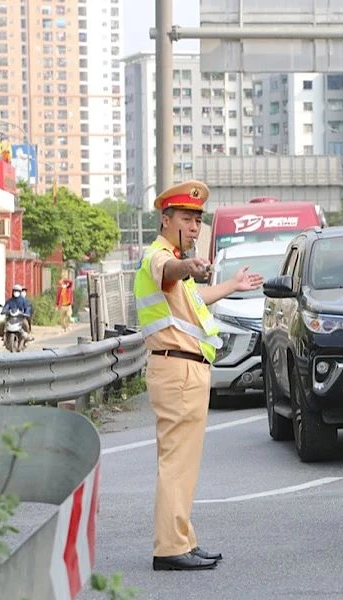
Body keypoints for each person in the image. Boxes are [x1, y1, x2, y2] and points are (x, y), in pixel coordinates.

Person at [134, 180, 264, 572]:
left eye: (198, 221)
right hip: (177, 369)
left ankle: (182, 540)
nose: (194, 228)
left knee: (183, 464)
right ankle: (171, 547)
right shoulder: (158, 258)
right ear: (166, 219)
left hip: (185, 369)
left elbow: (194, 299)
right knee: (177, 464)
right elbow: (169, 271)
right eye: (187, 219)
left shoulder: (175, 263)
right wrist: (186, 265)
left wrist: (231, 285)